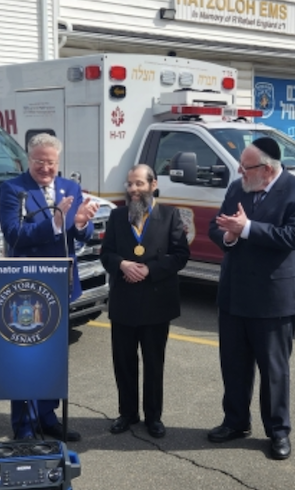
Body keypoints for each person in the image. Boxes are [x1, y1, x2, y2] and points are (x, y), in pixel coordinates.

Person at [206, 136, 295, 460]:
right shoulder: (237, 189)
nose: (239, 171)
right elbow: (216, 226)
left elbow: (294, 236)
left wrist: (246, 228)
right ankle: (235, 421)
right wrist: (228, 235)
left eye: (246, 167)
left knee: (274, 371)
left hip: (273, 298)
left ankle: (278, 431)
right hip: (234, 294)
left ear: (267, 170)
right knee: (234, 365)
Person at [0, 133, 99, 442]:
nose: (45, 168)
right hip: (27, 286)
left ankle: (47, 417)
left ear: (59, 161)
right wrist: (55, 222)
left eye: (51, 162)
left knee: (53, 357)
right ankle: (24, 425)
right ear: (28, 159)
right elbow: (14, 234)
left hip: (60, 284)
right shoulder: (13, 189)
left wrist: (80, 222)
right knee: (27, 358)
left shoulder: (70, 187)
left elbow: (81, 234)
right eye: (39, 161)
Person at [100, 165, 189, 439]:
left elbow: (180, 255)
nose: (133, 189)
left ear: (153, 184)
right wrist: (122, 264)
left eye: (139, 183)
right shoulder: (117, 216)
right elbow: (106, 253)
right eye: (130, 184)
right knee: (123, 362)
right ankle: (127, 413)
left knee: (153, 363)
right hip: (124, 302)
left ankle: (153, 417)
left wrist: (150, 270)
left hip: (156, 302)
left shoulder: (170, 215)